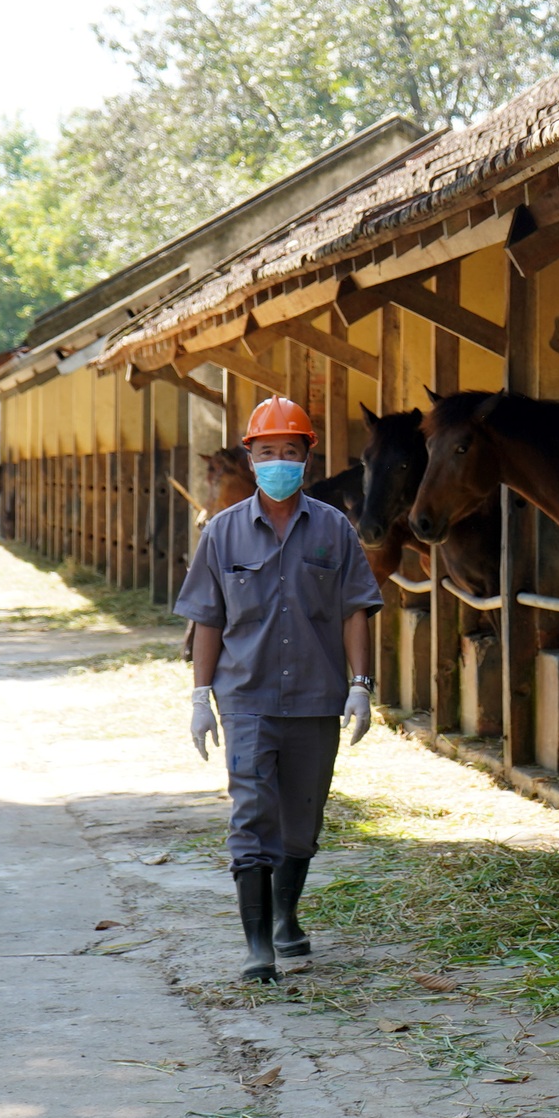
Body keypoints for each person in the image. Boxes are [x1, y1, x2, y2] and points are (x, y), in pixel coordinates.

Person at [173, 397, 382, 982]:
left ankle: (286, 917)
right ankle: (258, 946)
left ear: (306, 456)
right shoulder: (223, 533)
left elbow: (355, 609)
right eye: (267, 452)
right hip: (245, 699)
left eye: (290, 451)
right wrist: (199, 698)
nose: (278, 462)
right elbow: (207, 620)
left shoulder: (334, 529)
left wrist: (360, 686)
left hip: (318, 698)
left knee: (301, 821)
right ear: (251, 456)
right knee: (250, 816)